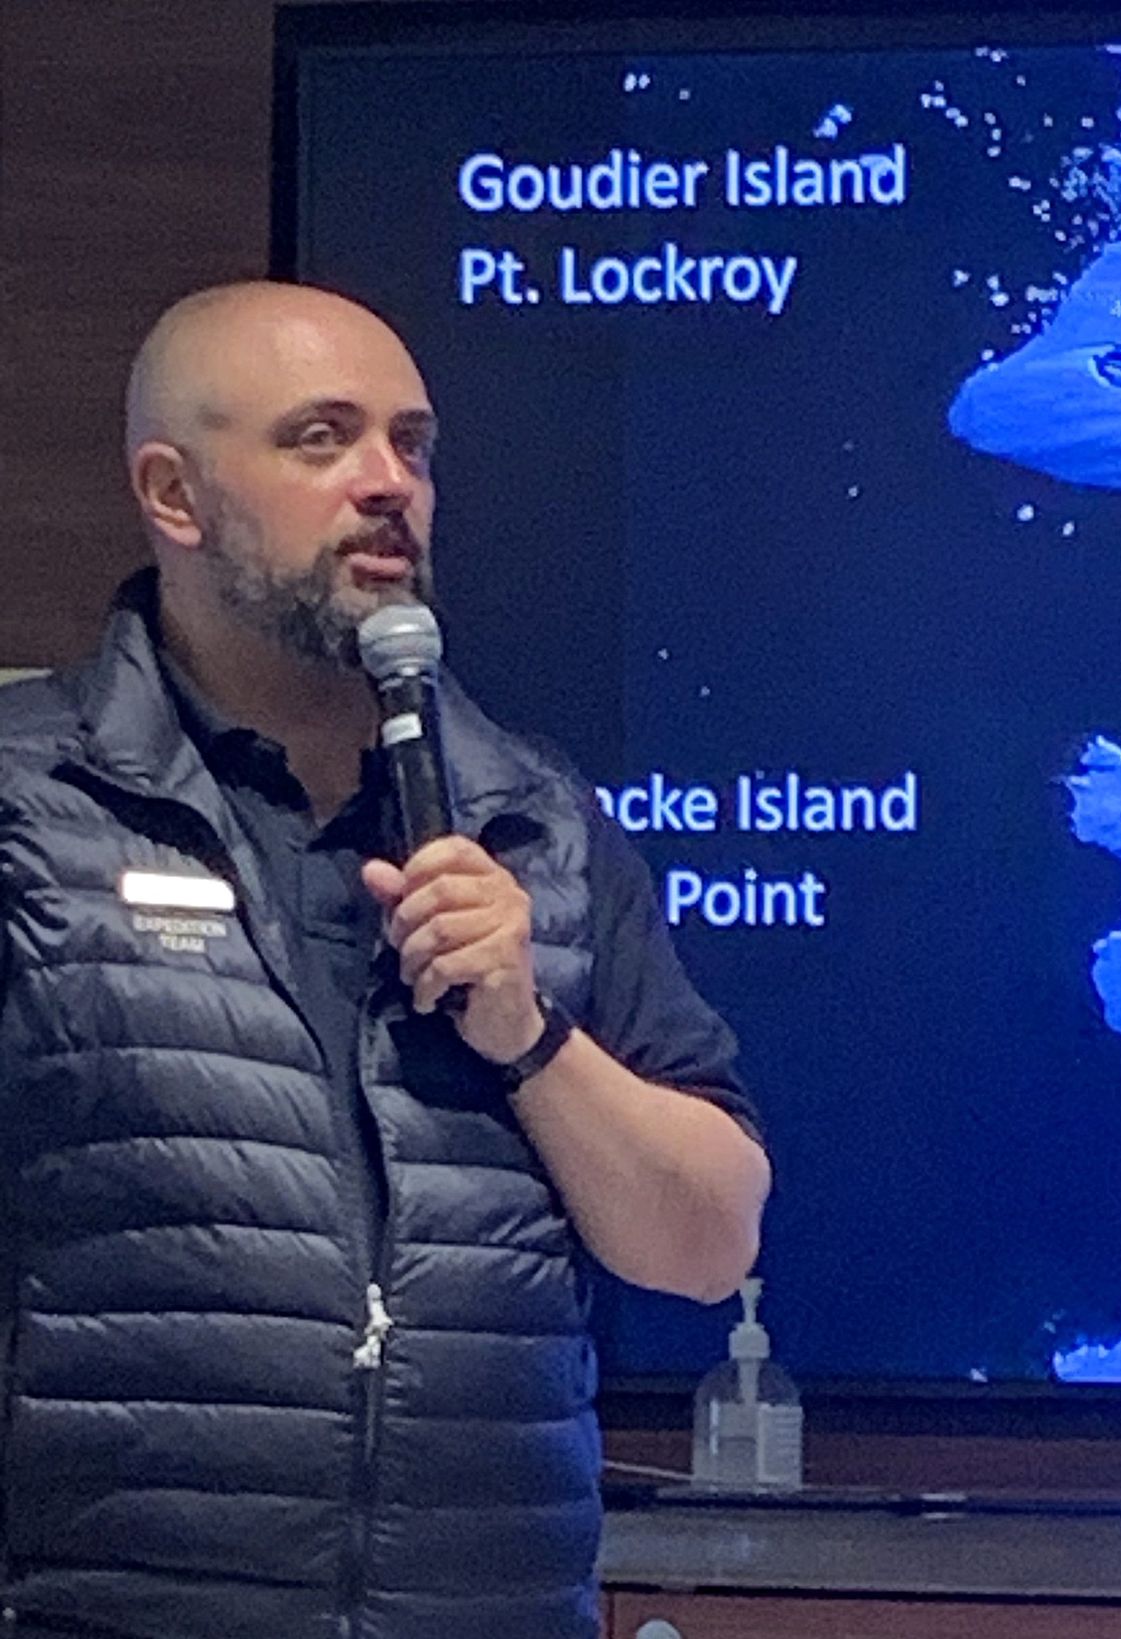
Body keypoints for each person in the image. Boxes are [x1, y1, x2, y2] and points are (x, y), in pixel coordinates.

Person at [0, 282, 771, 1639]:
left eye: (412, 445)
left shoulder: (539, 822)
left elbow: (710, 1244)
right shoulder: (32, 811)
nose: (388, 485)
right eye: (322, 439)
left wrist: (530, 1035)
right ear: (175, 498)